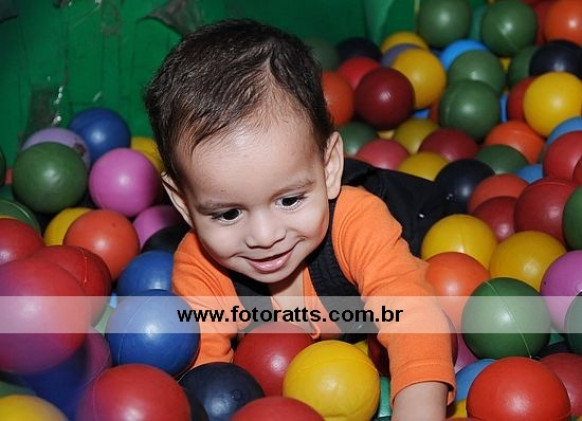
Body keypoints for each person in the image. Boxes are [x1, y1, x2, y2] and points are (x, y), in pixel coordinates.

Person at [145, 19, 455, 420]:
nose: (264, 236)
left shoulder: (357, 223)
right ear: (183, 202)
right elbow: (209, 382)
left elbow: (413, 313)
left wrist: (418, 408)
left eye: (289, 200)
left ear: (329, 168)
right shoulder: (201, 269)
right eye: (229, 213)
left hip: (414, 213)